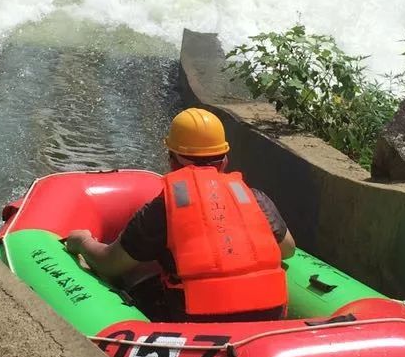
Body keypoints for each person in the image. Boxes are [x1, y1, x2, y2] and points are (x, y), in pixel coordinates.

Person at [65, 108, 295, 324]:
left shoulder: (163, 209)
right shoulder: (253, 197)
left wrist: (83, 242)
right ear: (225, 159)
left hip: (198, 323)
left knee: (134, 284)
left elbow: (110, 265)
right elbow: (288, 249)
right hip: (269, 317)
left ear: (172, 161)